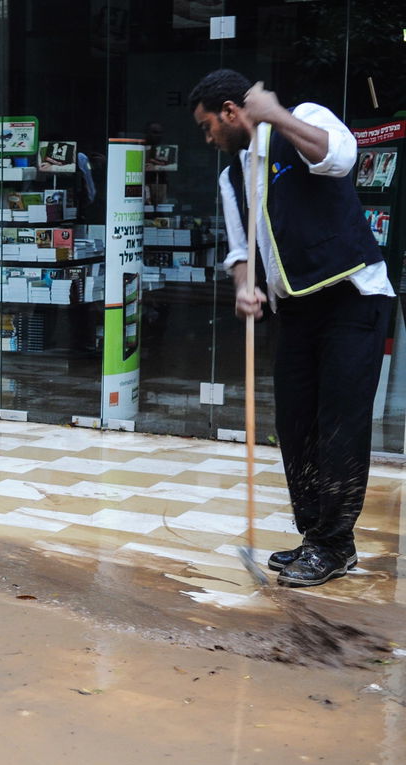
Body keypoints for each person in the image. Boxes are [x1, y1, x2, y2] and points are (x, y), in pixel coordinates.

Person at [189, 69, 395, 587]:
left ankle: (333, 543)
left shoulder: (301, 120)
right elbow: (241, 250)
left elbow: (340, 157)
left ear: (232, 112)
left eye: (208, 124)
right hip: (297, 308)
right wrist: (243, 285)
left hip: (352, 296)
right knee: (296, 426)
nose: (207, 136)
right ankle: (317, 537)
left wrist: (274, 112)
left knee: (340, 426)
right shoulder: (231, 176)